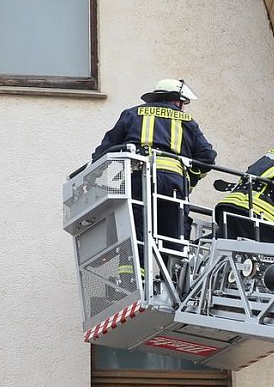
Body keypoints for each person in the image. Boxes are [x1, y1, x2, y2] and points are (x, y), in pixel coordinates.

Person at [92, 78, 216, 282]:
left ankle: (132, 278)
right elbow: (207, 158)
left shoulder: (132, 114)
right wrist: (189, 181)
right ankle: (173, 280)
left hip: (138, 180)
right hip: (173, 185)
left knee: (134, 227)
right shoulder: (187, 122)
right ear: (177, 101)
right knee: (173, 232)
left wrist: (93, 177)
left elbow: (104, 151)